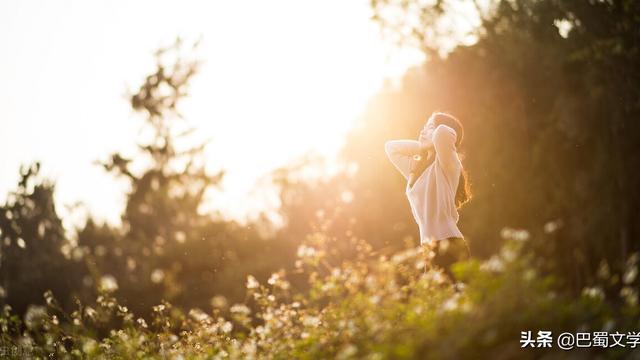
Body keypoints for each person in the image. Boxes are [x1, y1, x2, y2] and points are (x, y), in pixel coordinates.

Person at [384, 111, 472, 284]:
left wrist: (430, 140)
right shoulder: (415, 168)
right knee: (435, 309)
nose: (423, 131)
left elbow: (444, 132)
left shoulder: (448, 163)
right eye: (423, 127)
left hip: (450, 245)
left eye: (429, 127)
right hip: (428, 250)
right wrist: (424, 146)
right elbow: (390, 147)